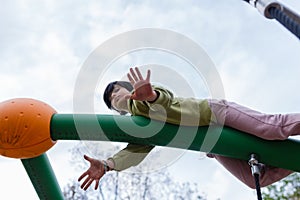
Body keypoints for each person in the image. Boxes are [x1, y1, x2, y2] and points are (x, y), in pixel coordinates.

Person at [78, 67, 299, 190]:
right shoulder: (139, 126)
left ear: (130, 89)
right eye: (111, 99)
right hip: (211, 142)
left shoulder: (145, 98)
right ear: (118, 112)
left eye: (117, 90)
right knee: (253, 180)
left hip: (214, 114)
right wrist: (107, 166)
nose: (115, 96)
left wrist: (150, 95)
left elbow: (164, 100)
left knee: (272, 128)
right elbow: (133, 153)